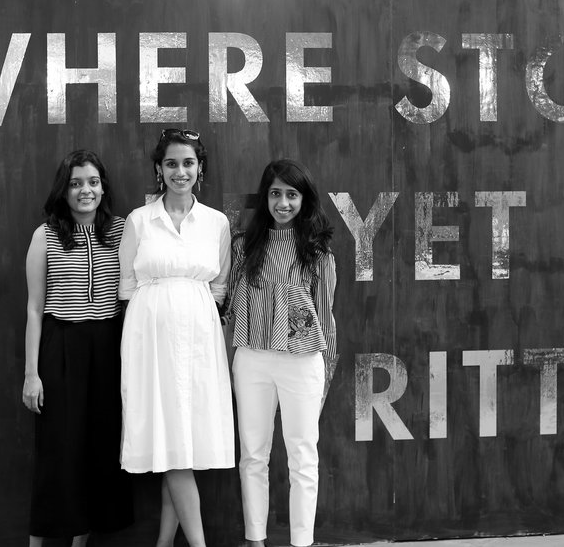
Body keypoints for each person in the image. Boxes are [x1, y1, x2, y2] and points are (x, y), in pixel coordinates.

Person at [118, 129, 234, 547]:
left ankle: (164, 543)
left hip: (199, 339)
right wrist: (151, 325)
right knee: (168, 437)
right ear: (158, 169)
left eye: (188, 163)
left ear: (200, 168)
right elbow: (127, 285)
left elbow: (219, 287)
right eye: (171, 163)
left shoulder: (216, 222)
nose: (180, 171)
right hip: (150, 339)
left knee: (180, 442)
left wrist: (192, 316)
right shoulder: (139, 220)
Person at [20, 149, 133, 547]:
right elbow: (34, 308)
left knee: (100, 446)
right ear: (63, 190)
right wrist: (31, 374)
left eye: (93, 182)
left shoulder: (121, 231)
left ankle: (79, 542)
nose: (86, 190)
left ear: (103, 188)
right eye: (76, 183)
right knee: (58, 449)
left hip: (108, 347)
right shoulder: (46, 234)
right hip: (61, 346)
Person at [227, 159, 338, 547]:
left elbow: (326, 319)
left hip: (303, 362)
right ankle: (254, 539)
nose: (283, 203)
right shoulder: (243, 247)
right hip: (251, 360)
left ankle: (301, 542)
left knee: (303, 457)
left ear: (304, 200)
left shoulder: (319, 254)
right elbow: (230, 309)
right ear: (266, 198)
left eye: (292, 194)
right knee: (252, 455)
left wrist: (326, 373)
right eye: (275, 194)